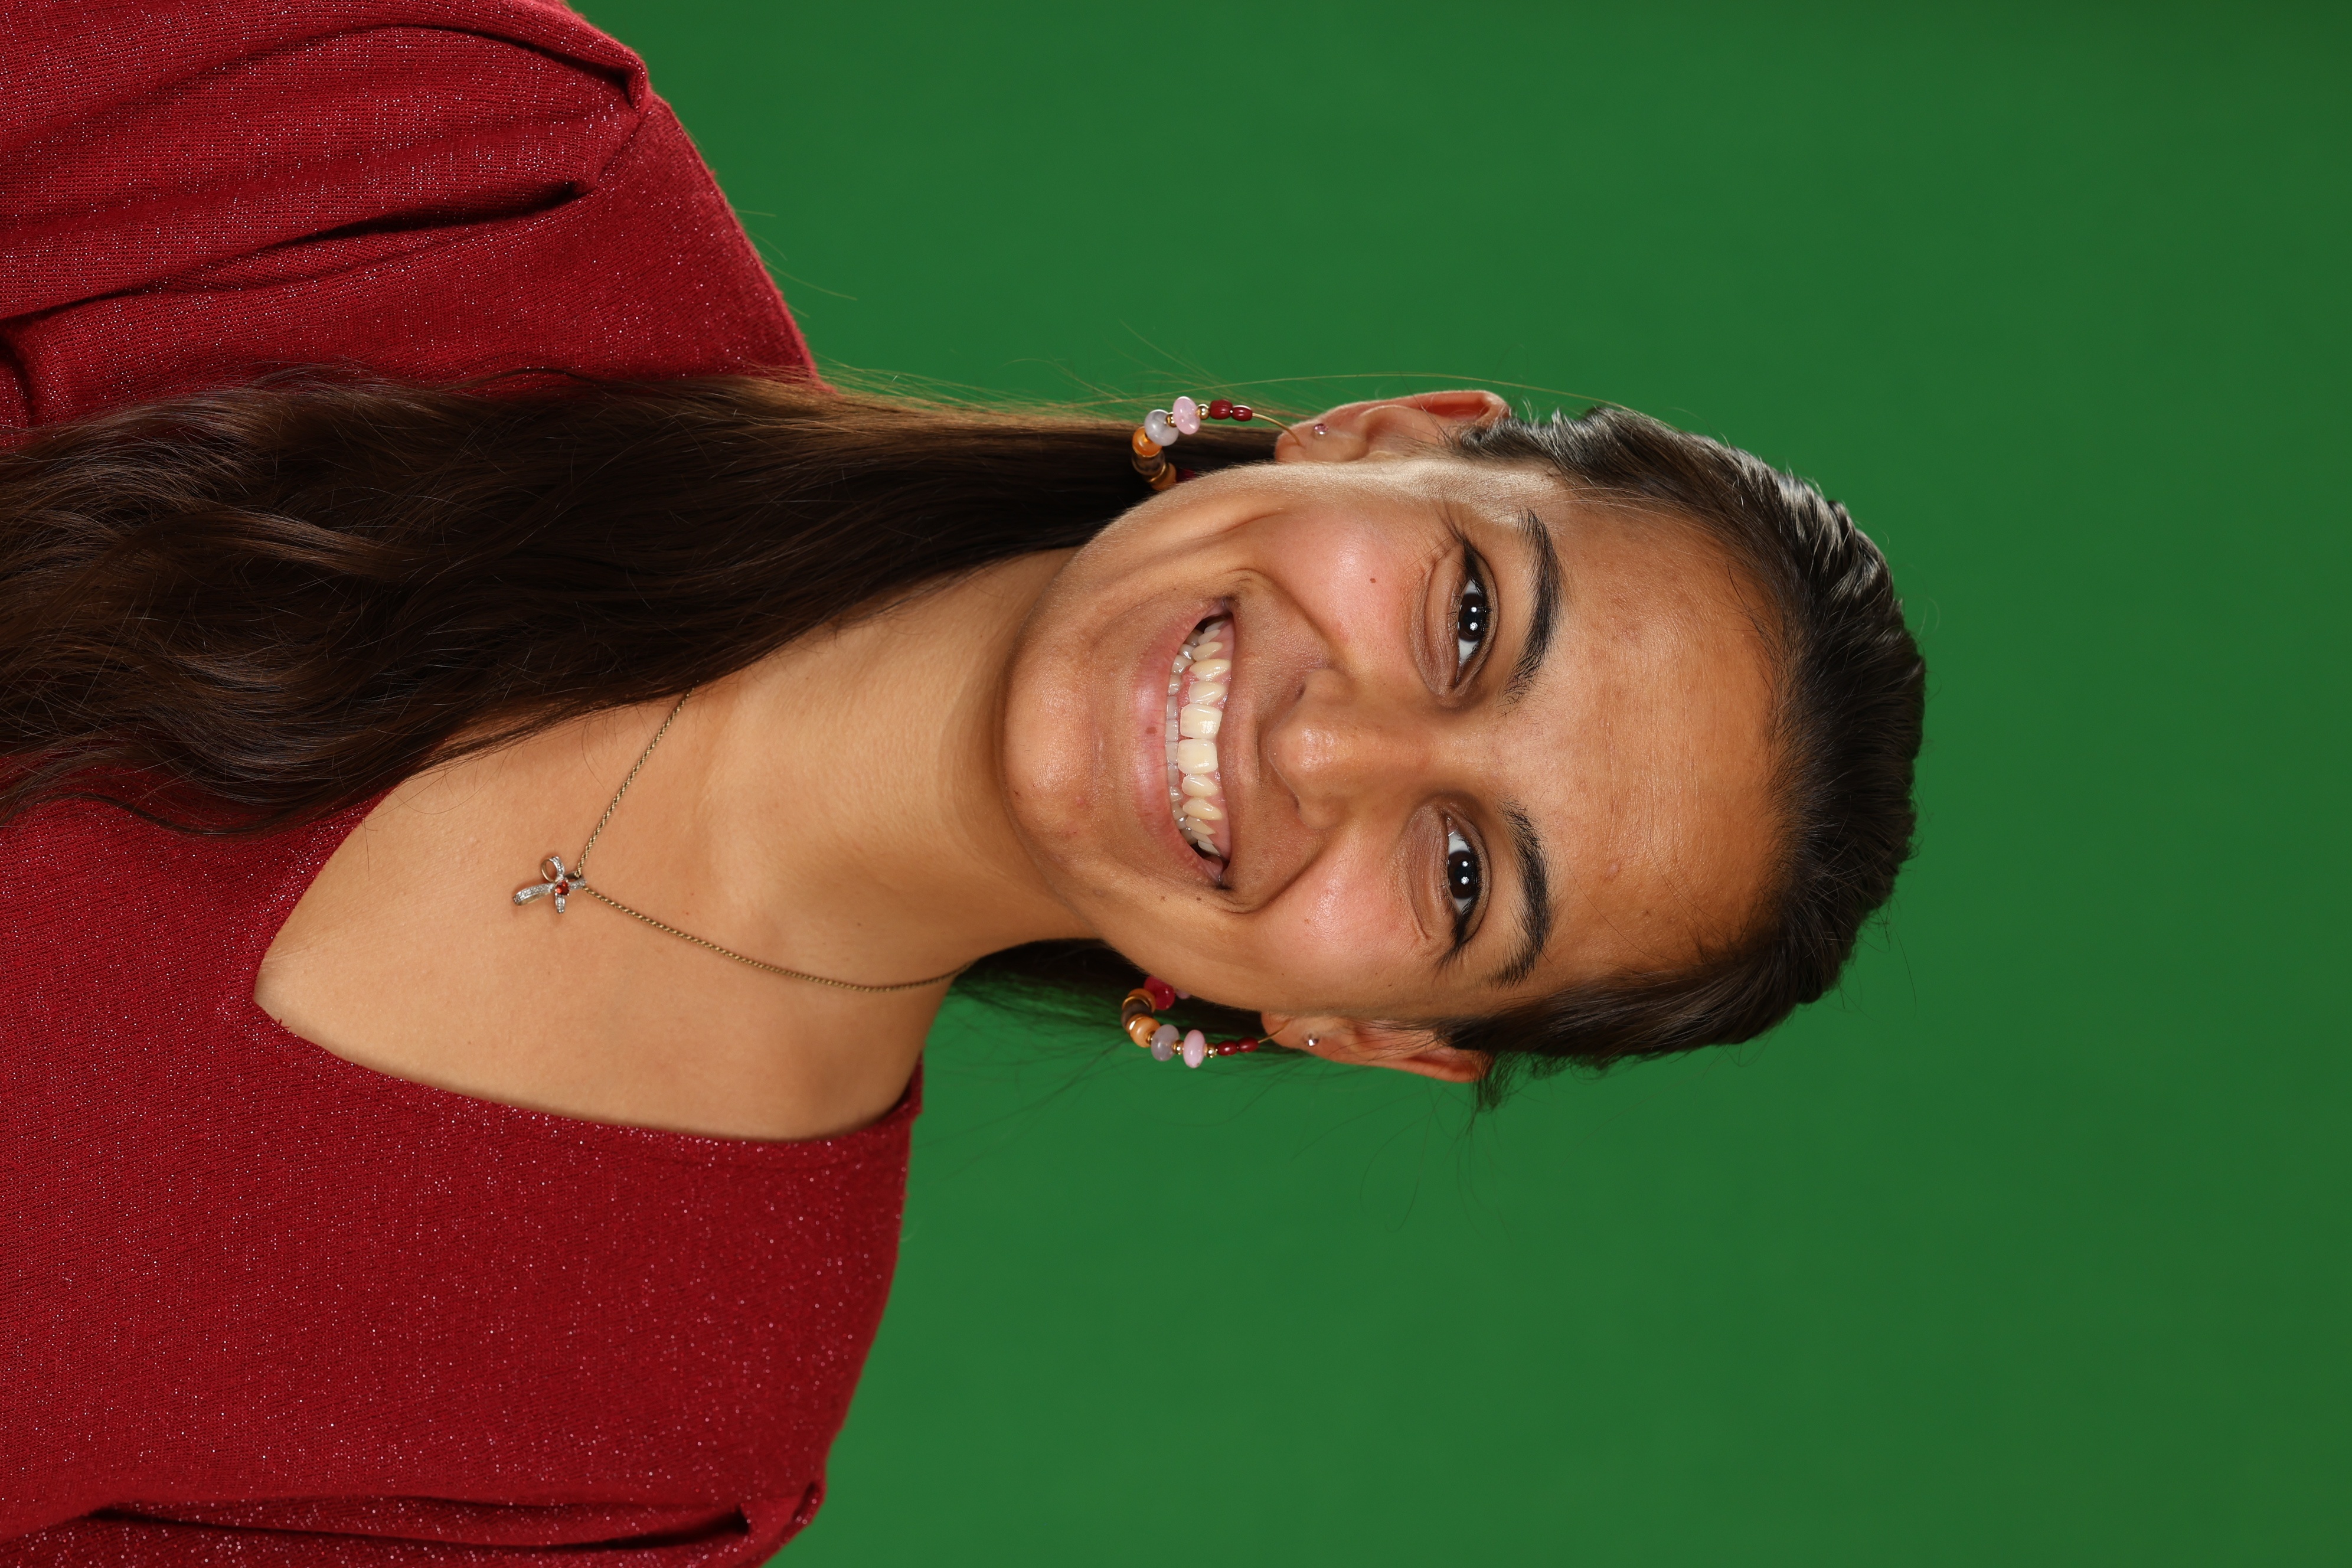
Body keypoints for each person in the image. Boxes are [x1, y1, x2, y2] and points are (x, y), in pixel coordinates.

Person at [0, 0, 1925, 1560]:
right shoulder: (488, 173)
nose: (1324, 747)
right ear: (1381, 436)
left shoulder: (637, 1463)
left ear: (1366, 1031)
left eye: (1462, 876)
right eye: (1473, 616)